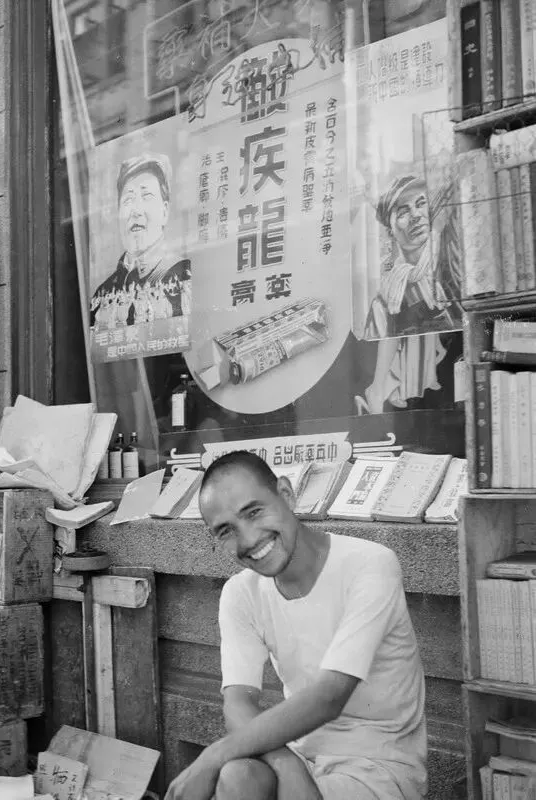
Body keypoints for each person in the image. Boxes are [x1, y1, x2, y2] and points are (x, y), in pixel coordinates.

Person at [165, 450, 427, 800]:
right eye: (226, 531)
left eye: (254, 512)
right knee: (238, 776)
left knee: (231, 770)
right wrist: (287, 763)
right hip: (302, 758)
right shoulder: (241, 593)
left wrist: (212, 757)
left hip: (378, 767)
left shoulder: (369, 564)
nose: (248, 539)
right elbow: (238, 701)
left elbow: (328, 697)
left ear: (286, 495)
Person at [356, 174, 462, 415]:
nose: (415, 216)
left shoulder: (447, 250)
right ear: (390, 230)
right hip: (428, 404)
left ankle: (379, 389)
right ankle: (379, 388)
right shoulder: (391, 288)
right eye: (403, 212)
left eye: (420, 204)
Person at [90, 153, 191, 329]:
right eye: (128, 199)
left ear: (165, 211)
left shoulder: (183, 275)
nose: (136, 210)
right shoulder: (104, 292)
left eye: (147, 196)